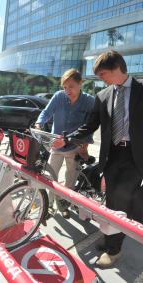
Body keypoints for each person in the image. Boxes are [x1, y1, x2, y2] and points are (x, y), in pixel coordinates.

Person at [54, 50, 143, 267]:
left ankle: (113, 249)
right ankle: (115, 236)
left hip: (136, 156)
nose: (101, 79)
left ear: (117, 69)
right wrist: (67, 139)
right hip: (112, 154)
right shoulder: (103, 95)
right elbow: (90, 125)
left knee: (119, 200)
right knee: (111, 198)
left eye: (103, 74)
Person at [35, 69, 95, 219]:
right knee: (50, 176)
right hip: (56, 145)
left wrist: (85, 144)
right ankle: (47, 205)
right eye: (64, 87)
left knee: (70, 179)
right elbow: (46, 112)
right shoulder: (58, 97)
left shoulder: (89, 101)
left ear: (80, 83)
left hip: (75, 146)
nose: (67, 90)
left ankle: (64, 204)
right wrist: (39, 123)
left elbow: (91, 125)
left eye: (71, 86)